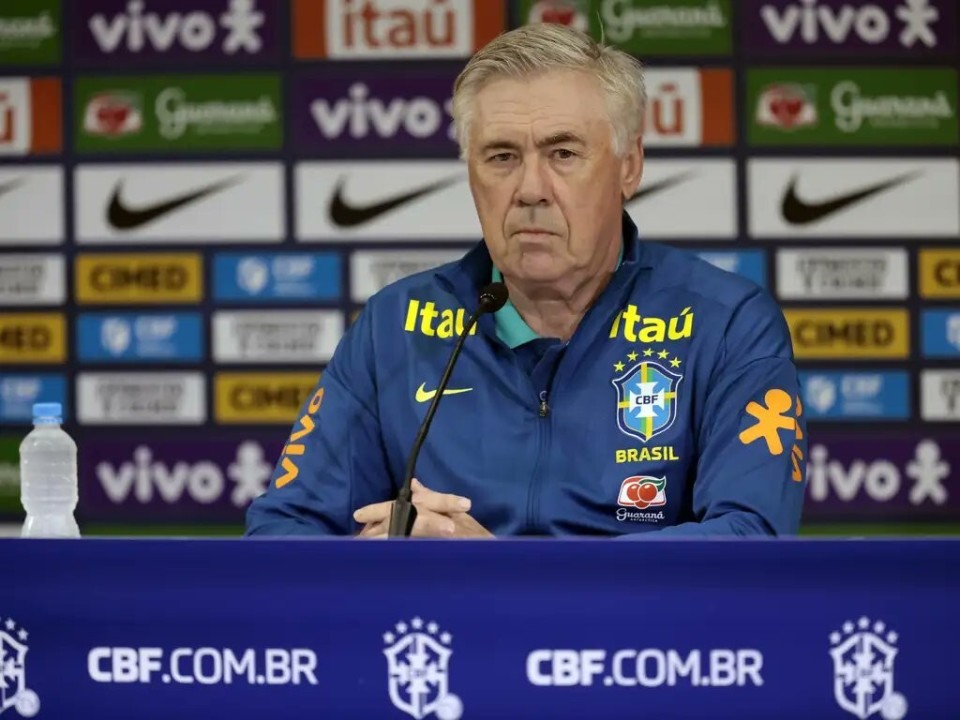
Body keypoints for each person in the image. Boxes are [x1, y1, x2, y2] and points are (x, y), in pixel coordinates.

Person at [245, 23, 807, 539]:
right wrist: (380, 556)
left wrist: (500, 570)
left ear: (629, 166)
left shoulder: (726, 323)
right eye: (501, 157)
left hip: (634, 624)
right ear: (470, 173)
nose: (531, 189)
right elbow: (280, 533)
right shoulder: (396, 328)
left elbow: (751, 539)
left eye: (563, 153)